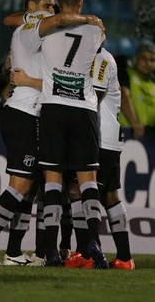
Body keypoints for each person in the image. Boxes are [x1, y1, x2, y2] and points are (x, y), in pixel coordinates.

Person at [0, 0, 104, 266]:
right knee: (20, 184)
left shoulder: (41, 32)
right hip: (23, 111)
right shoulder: (34, 29)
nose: (52, 10)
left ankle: (14, 252)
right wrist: (87, 19)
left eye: (54, 5)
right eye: (46, 5)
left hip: (33, 112)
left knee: (30, 188)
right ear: (32, 9)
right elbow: (35, 24)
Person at [38, 0, 108, 268]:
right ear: (82, 1)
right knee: (87, 181)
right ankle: (92, 240)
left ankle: (52, 251)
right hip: (84, 109)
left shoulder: (46, 25)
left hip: (54, 107)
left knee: (53, 182)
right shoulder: (96, 29)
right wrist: (88, 18)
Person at [65, 46, 135, 270]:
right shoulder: (93, 57)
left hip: (100, 137)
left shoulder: (101, 59)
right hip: (107, 136)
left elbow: (94, 95)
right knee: (110, 196)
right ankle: (124, 258)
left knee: (78, 190)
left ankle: (85, 252)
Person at [118, 40, 155, 139]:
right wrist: (134, 122)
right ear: (135, 59)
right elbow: (123, 94)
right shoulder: (127, 75)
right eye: (144, 59)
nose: (148, 63)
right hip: (129, 132)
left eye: (152, 60)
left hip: (150, 136)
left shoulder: (152, 83)